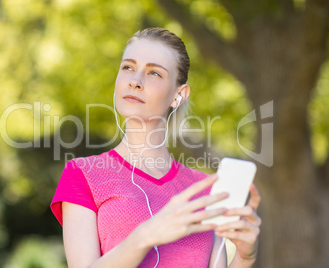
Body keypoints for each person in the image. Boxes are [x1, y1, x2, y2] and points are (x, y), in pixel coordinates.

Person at [50, 27, 261, 268]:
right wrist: (147, 235)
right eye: (128, 67)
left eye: (154, 73)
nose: (135, 81)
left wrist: (245, 258)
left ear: (178, 95)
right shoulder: (84, 174)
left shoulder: (203, 189)